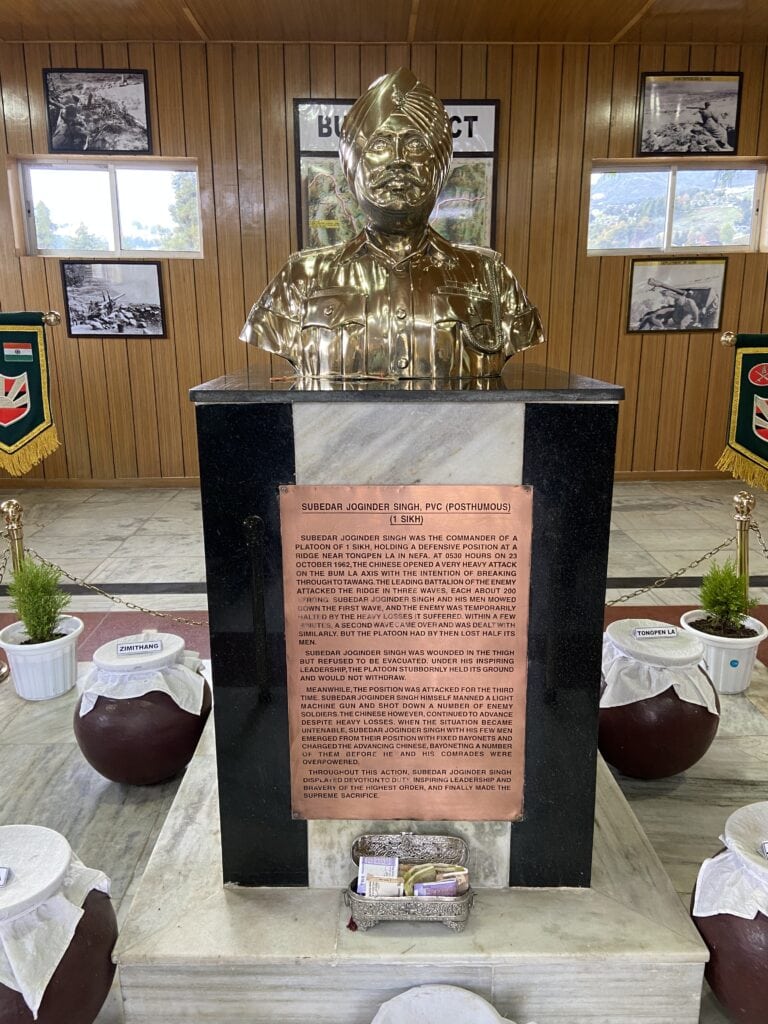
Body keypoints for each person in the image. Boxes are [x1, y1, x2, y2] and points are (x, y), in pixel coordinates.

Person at [240, 68, 544, 379]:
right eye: (379, 146)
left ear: (439, 165)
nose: (398, 160)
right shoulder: (300, 278)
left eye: (415, 145)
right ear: (354, 163)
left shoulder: (492, 276)